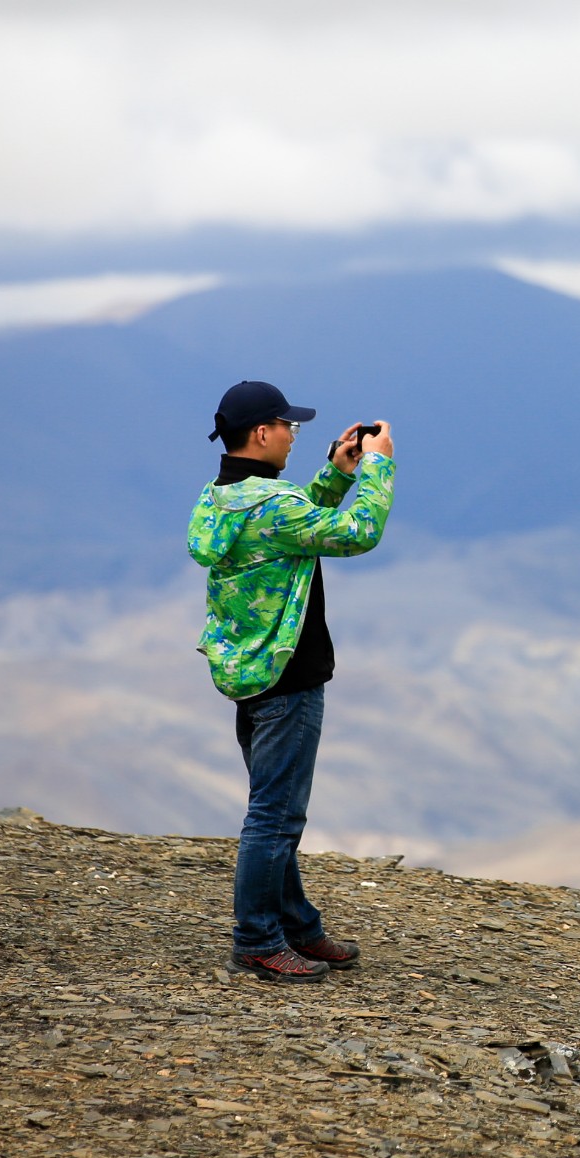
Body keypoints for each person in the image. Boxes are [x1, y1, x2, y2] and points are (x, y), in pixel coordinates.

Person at [186, 380, 396, 983]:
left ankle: (297, 927)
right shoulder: (272, 506)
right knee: (275, 817)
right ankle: (257, 940)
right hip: (289, 676)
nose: (292, 436)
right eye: (289, 427)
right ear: (262, 432)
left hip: (249, 674)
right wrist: (377, 468)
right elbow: (356, 533)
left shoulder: (220, 500)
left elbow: (293, 525)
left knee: (272, 809)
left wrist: (335, 474)